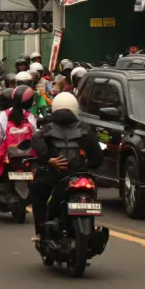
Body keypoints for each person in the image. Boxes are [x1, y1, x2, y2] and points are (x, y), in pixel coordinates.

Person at [29, 91, 103, 241]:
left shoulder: (47, 129)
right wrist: (90, 165)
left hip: (55, 178)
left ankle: (40, 232)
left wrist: (49, 160)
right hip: (79, 176)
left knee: (37, 189)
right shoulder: (85, 129)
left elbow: (36, 140)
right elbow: (97, 157)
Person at [0, 85, 37, 191]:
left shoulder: (3, 115)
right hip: (28, 150)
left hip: (8, 151)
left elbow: (1, 137)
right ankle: (34, 183)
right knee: (38, 161)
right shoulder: (30, 116)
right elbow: (35, 134)